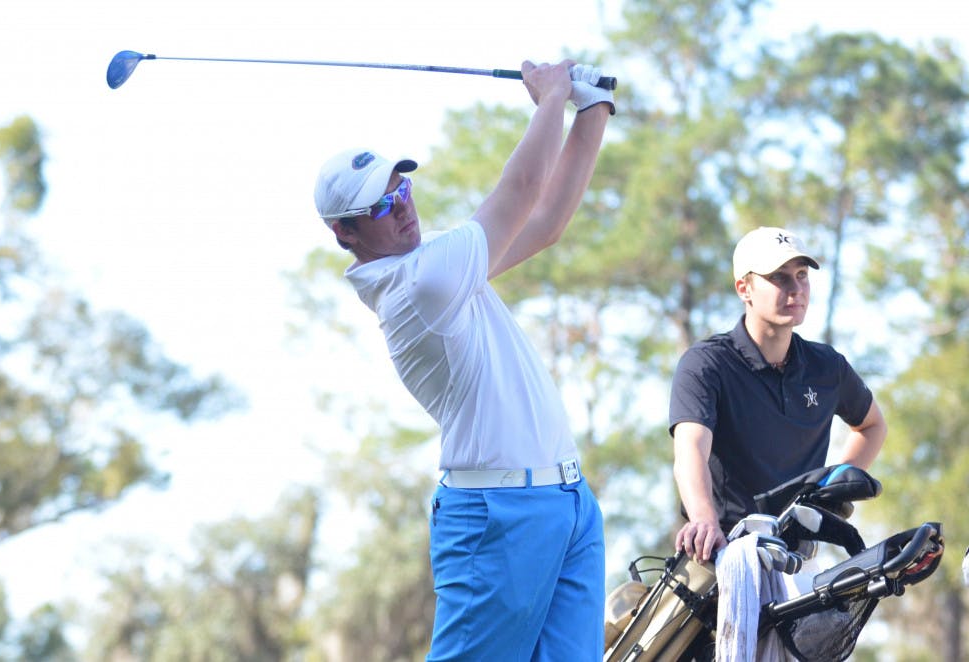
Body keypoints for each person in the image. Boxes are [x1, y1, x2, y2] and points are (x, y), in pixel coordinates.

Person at [313, 61, 614, 660]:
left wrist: (594, 109)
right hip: (496, 519)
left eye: (402, 189)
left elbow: (547, 222)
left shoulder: (443, 270)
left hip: (569, 502)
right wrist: (551, 96)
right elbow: (522, 189)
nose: (403, 208)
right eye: (381, 206)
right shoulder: (422, 284)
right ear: (345, 234)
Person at [669, 226, 887, 564]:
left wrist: (829, 491)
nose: (796, 289)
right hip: (721, 553)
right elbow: (691, 450)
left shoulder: (828, 367)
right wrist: (703, 518)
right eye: (779, 277)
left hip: (798, 559)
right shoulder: (706, 363)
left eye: (802, 275)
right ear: (745, 288)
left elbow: (873, 426)